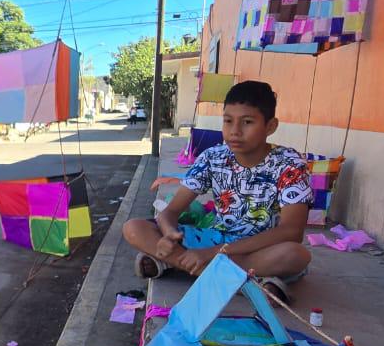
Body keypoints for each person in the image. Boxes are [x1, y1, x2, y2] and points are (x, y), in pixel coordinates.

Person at [122, 80, 313, 300]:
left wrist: (211, 254)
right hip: (213, 238)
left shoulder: (290, 164)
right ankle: (242, 281)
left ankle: (178, 264)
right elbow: (170, 212)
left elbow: (291, 232)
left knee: (295, 255)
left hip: (259, 248)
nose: (235, 132)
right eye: (228, 121)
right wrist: (169, 234)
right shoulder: (214, 157)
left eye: (247, 122)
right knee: (133, 228)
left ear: (270, 126)